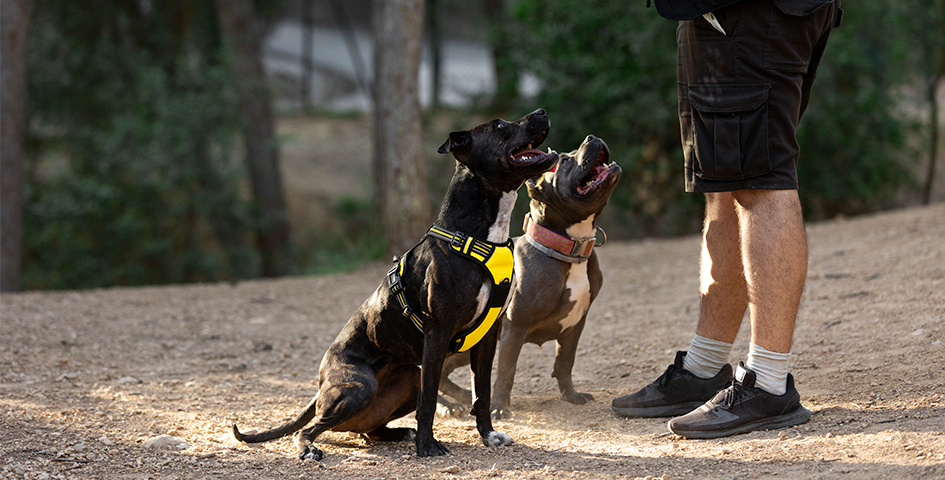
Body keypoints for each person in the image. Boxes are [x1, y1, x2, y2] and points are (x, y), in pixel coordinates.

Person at [612, 0, 843, 439]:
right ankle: (704, 367)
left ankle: (768, 382)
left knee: (761, 181)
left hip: (751, 12)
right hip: (724, 12)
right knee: (724, 183)